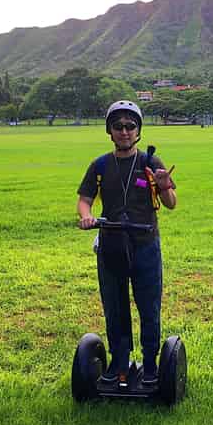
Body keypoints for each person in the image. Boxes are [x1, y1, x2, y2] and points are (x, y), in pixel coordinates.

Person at [77, 101, 176, 385]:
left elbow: (170, 204)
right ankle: (119, 362)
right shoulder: (100, 165)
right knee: (115, 306)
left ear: (138, 131)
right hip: (110, 245)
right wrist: (87, 217)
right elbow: (85, 199)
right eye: (118, 126)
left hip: (145, 243)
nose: (124, 131)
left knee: (149, 307)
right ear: (109, 131)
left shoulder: (150, 163)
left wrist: (165, 185)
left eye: (130, 126)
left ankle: (150, 363)